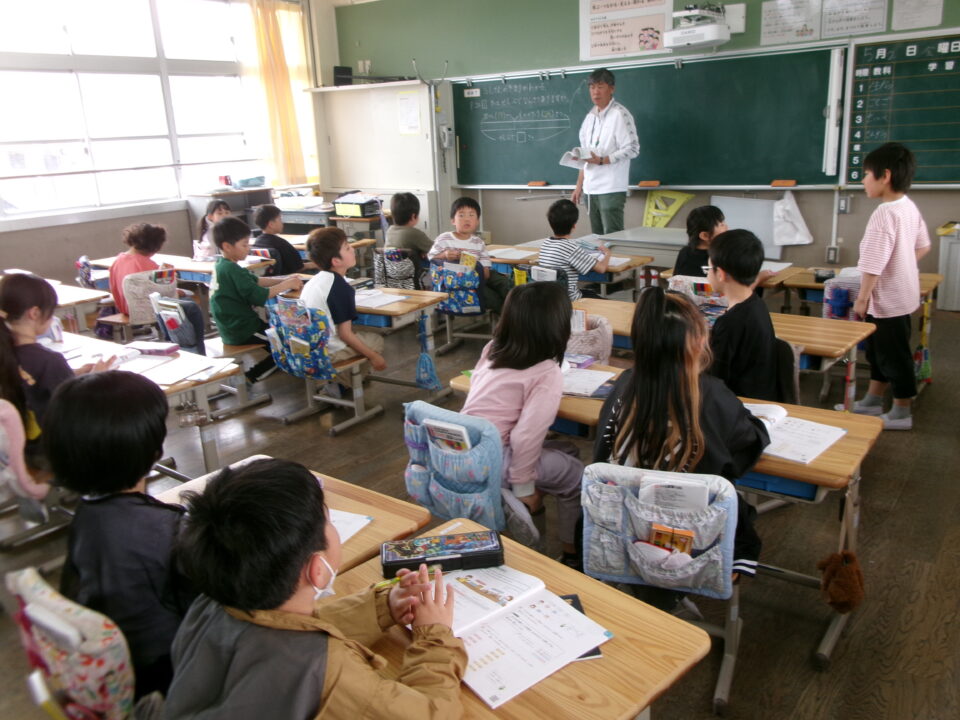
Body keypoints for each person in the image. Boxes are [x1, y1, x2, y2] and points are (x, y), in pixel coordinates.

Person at [164, 458, 465, 719]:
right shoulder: (323, 671)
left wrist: (380, 607)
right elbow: (432, 713)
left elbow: (285, 629)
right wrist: (434, 634)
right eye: (329, 521)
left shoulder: (212, 602)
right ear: (317, 569)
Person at [593, 287, 767, 580]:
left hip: (620, 532)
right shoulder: (712, 396)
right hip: (698, 543)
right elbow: (744, 449)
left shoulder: (623, 386)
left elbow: (601, 453)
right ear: (699, 341)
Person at [46, 371, 196, 699]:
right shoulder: (167, 528)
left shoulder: (87, 515)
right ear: (152, 449)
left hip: (122, 667)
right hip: (169, 674)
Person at [461, 282, 583, 568]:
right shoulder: (547, 371)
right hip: (498, 458)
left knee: (567, 451)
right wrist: (523, 485)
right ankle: (572, 556)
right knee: (578, 476)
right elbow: (526, 436)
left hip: (467, 450)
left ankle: (532, 508)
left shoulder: (492, 348)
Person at [845, 142, 931, 430]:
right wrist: (902, 265)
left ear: (885, 176)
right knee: (879, 352)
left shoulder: (884, 213)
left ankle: (901, 412)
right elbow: (923, 246)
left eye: (866, 174)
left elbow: (872, 263)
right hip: (901, 294)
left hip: (886, 300)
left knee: (894, 356)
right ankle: (872, 400)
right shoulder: (908, 206)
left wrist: (862, 298)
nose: (862, 180)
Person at [0, 274, 113, 465]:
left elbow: (28, 382)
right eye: (51, 312)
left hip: (14, 449)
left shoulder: (7, 354)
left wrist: (74, 375)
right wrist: (96, 378)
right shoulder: (49, 361)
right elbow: (76, 408)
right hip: (51, 453)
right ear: (34, 313)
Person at [209, 217, 303, 383]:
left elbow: (256, 281)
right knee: (284, 345)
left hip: (232, 327)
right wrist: (286, 284)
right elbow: (260, 295)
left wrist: (284, 279)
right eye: (244, 245)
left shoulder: (223, 265)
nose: (249, 248)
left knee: (280, 340)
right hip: (243, 329)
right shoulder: (231, 269)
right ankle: (252, 375)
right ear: (227, 246)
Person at [108, 223, 206, 355]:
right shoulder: (148, 265)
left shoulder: (117, 261)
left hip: (126, 309)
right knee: (189, 305)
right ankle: (195, 348)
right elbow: (162, 293)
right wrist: (175, 287)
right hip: (150, 309)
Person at [706, 229, 778, 401]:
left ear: (721, 274)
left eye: (708, 268)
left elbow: (713, 381)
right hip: (759, 394)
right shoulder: (756, 304)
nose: (707, 273)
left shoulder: (729, 323)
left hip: (741, 404)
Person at [301, 227, 387, 369]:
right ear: (336, 261)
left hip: (307, 348)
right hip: (327, 352)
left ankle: (345, 379)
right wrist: (374, 357)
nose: (353, 249)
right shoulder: (340, 287)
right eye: (347, 248)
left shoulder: (314, 281)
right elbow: (345, 334)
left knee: (359, 332)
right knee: (376, 340)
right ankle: (345, 381)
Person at [570, 68, 640, 235]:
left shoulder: (620, 114)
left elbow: (632, 149)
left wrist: (602, 160)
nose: (595, 92)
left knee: (613, 237)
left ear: (611, 89)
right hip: (590, 188)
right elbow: (585, 155)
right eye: (592, 87)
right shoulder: (589, 118)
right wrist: (579, 186)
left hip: (611, 187)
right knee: (597, 238)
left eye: (600, 87)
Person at [427, 197, 511, 313]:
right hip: (462, 281)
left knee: (506, 284)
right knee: (493, 298)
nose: (466, 219)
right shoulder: (445, 238)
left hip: (481, 275)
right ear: (453, 220)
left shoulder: (478, 242)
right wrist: (444, 255)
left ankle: (519, 309)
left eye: (471, 215)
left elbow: (485, 265)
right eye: (461, 215)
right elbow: (431, 257)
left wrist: (485, 271)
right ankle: (510, 316)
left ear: (477, 221)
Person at [537, 198, 612, 300]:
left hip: (551, 299)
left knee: (589, 292)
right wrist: (607, 254)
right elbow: (601, 269)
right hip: (570, 300)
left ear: (551, 223)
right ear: (574, 225)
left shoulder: (546, 243)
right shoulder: (571, 248)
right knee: (607, 303)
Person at [252, 204, 315, 275]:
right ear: (271, 224)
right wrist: (315, 264)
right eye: (280, 219)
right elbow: (299, 268)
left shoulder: (257, 241)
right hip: (288, 278)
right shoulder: (281, 244)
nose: (282, 222)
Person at [674, 205, 727, 277]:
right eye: (721, 225)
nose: (727, 227)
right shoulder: (721, 255)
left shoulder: (684, 251)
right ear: (705, 236)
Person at [385, 192, 433, 257]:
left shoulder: (389, 231)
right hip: (412, 263)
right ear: (413, 216)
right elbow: (435, 249)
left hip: (392, 263)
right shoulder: (414, 233)